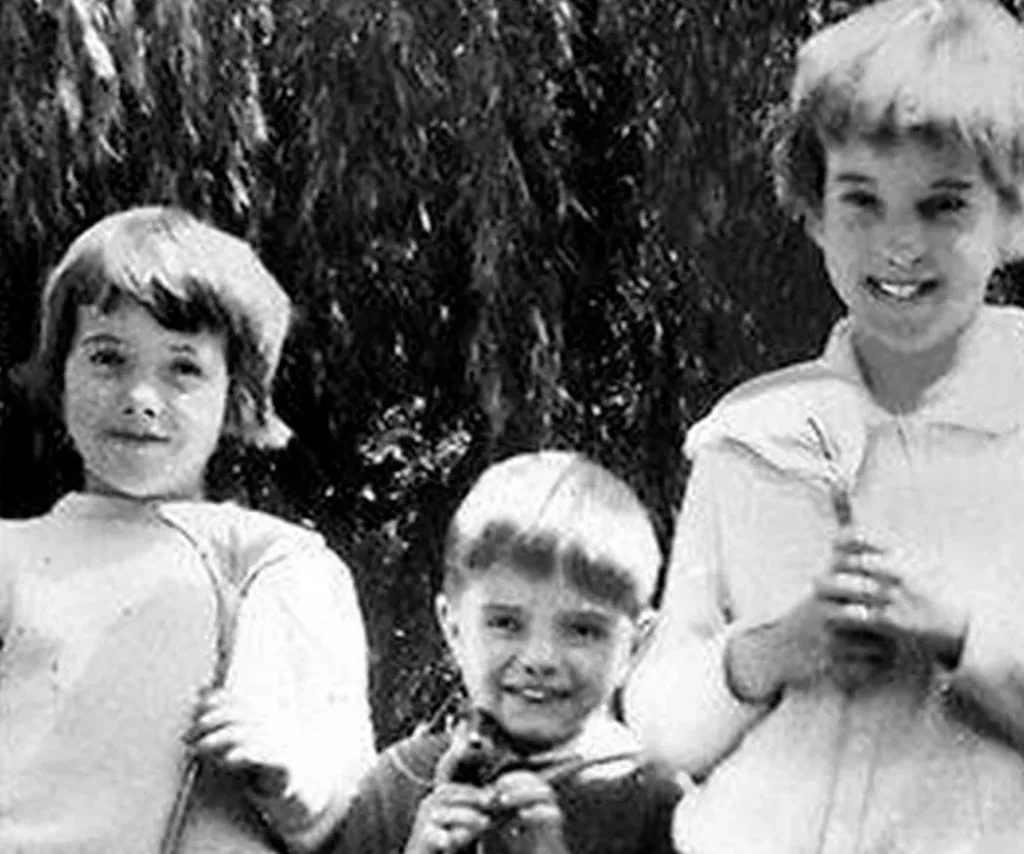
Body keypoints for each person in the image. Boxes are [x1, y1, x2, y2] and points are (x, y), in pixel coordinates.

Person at [624, 1, 1024, 852]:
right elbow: (660, 725)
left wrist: (959, 632)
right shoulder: (751, 436)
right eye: (861, 202)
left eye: (943, 205)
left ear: (1013, 215)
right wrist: (768, 652)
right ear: (813, 213)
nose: (899, 245)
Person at [0, 206, 375, 854]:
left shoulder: (282, 568)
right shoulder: (13, 558)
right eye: (108, 357)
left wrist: (290, 778)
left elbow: (354, 802)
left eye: (183, 369)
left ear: (236, 394)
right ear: (60, 371)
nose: (141, 397)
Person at [328, 451, 684, 854]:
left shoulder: (655, 799)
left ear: (635, 645)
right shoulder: (399, 783)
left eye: (582, 630)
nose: (540, 659)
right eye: (505, 624)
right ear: (453, 627)